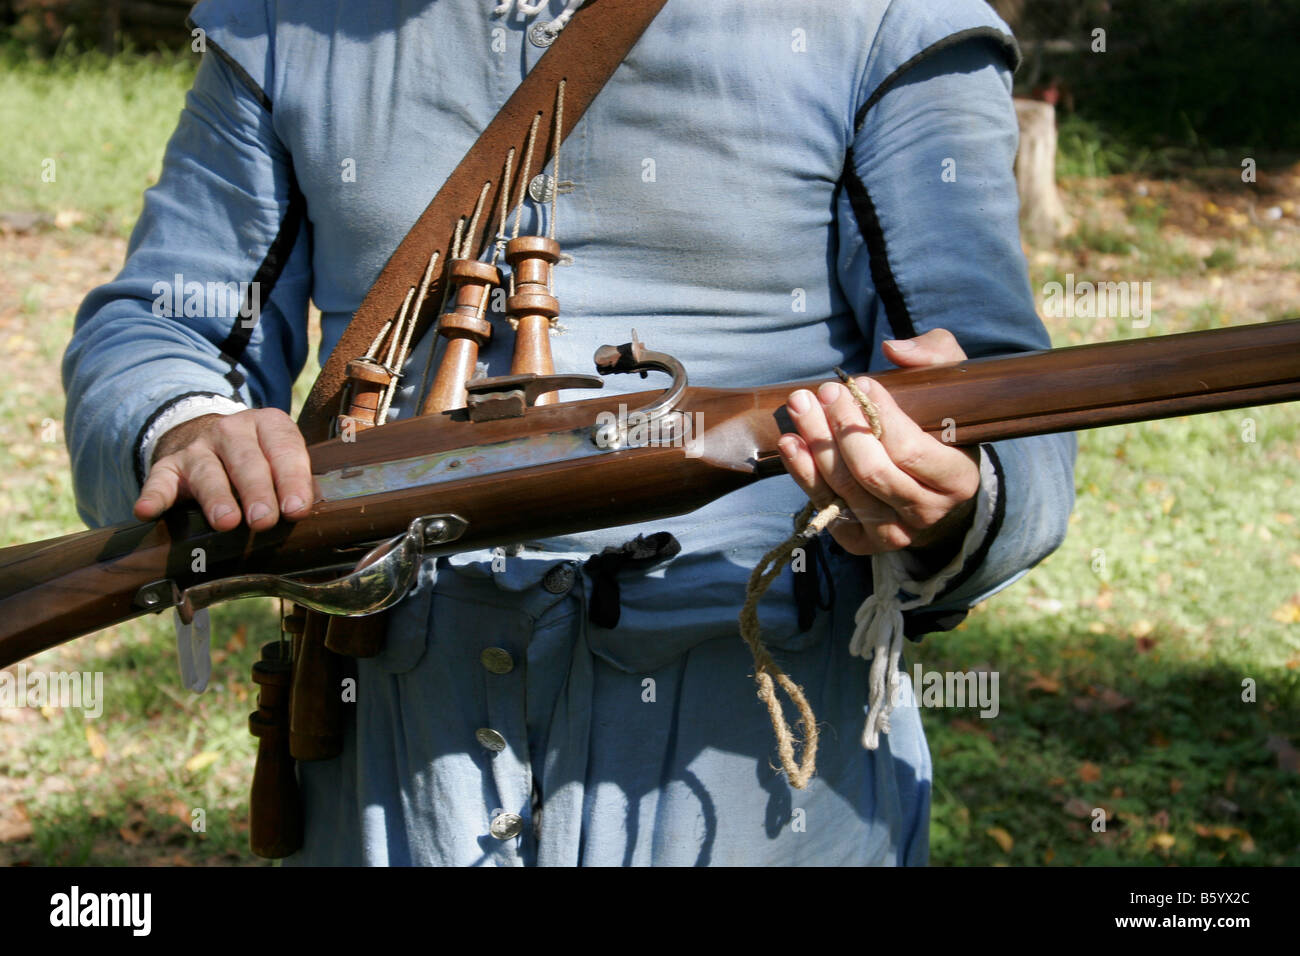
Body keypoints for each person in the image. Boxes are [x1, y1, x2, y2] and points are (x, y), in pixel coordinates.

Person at [64, 0, 1076, 865]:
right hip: (398, 750)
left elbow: (998, 393)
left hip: (754, 751)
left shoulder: (885, 19)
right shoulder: (289, 21)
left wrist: (953, 495)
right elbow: (161, 321)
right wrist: (186, 424)